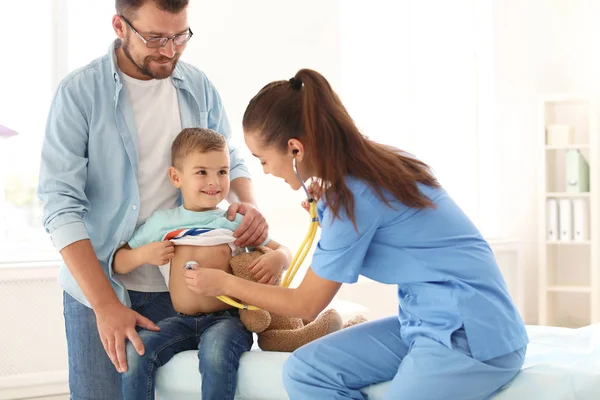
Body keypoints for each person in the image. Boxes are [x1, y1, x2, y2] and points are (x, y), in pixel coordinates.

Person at [182, 69, 529, 400]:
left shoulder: (350, 200)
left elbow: (306, 303)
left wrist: (224, 284)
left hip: (474, 335)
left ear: (295, 149)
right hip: (422, 322)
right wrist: (327, 213)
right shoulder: (372, 171)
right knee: (306, 370)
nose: (266, 171)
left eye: (263, 159)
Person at [37, 1, 268, 398]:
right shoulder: (79, 94)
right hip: (102, 288)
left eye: (180, 36)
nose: (169, 50)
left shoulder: (197, 86)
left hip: (185, 287)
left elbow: (228, 157)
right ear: (119, 26)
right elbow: (60, 205)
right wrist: (106, 304)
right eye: (155, 37)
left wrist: (248, 205)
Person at [112, 128, 291, 399]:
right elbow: (117, 262)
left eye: (222, 171)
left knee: (216, 352)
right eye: (201, 172)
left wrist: (278, 258)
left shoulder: (233, 220)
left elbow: (284, 250)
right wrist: (143, 255)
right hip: (181, 321)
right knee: (138, 352)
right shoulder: (163, 223)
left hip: (228, 321)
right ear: (176, 177)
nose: (214, 181)